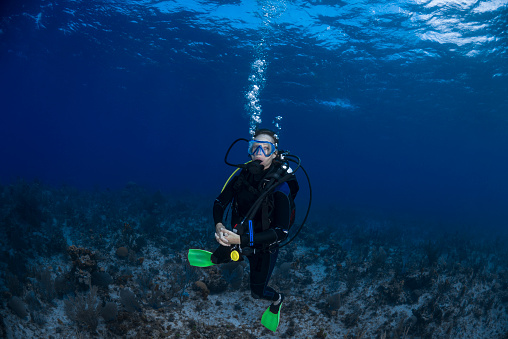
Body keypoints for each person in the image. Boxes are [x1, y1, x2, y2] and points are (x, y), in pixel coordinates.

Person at [211, 128, 299, 332]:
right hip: (238, 237)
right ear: (249, 151)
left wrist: (238, 241)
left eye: (266, 149)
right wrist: (219, 225)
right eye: (255, 147)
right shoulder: (242, 176)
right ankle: (234, 255)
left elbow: (281, 233)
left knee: (257, 293)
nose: (259, 152)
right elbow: (219, 202)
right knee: (217, 259)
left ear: (274, 154)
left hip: (264, 248)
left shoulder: (280, 187)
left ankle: (277, 300)